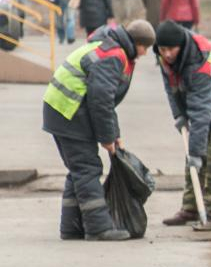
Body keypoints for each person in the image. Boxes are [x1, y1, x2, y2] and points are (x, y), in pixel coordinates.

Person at [42, 20, 155, 241]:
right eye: (146, 48)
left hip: (61, 110)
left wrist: (116, 135)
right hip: (69, 111)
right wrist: (107, 138)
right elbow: (100, 100)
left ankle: (72, 226)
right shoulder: (114, 55)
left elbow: (107, 101)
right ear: (138, 43)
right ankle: (98, 227)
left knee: (78, 169)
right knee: (87, 168)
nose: (144, 54)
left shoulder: (107, 47)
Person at [154, 20, 211, 226]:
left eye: (171, 49)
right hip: (201, 106)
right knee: (192, 156)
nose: (167, 54)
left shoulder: (201, 67)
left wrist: (196, 152)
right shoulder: (165, 60)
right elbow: (171, 89)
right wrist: (179, 115)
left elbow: (202, 114)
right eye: (163, 49)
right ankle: (190, 208)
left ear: (181, 46)